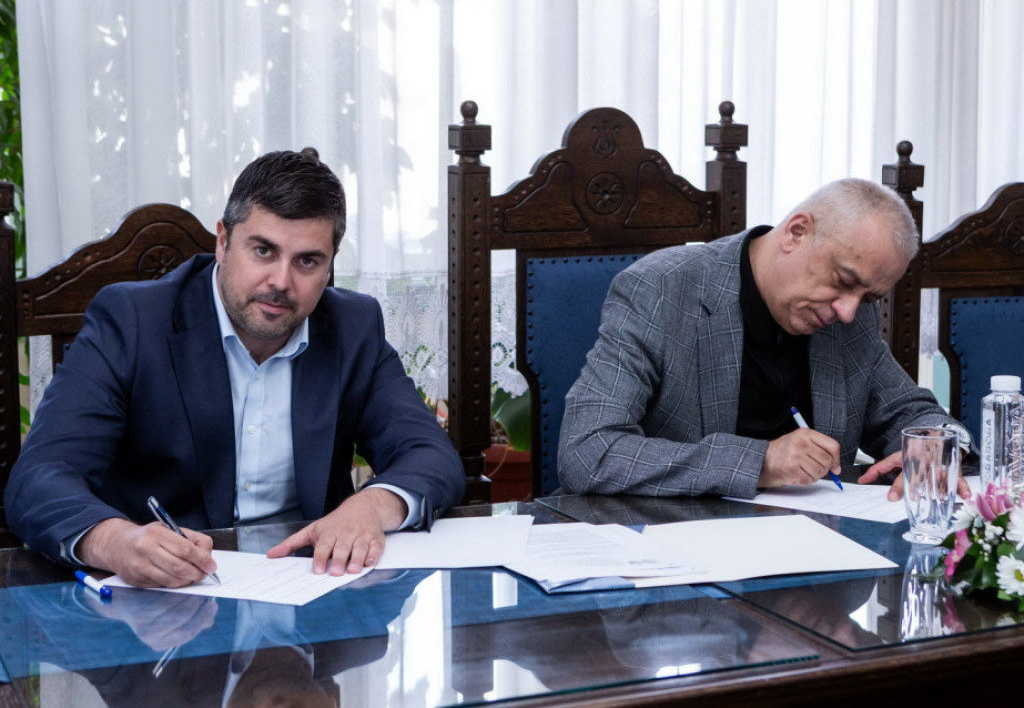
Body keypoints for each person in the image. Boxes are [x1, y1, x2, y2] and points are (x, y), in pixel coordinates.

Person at [6, 149, 464, 587]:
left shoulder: (353, 325)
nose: (281, 282)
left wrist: (372, 506)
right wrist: (116, 542)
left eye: (307, 261)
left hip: (308, 588)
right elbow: (39, 478)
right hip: (166, 599)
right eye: (263, 250)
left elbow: (430, 455)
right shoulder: (131, 321)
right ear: (223, 242)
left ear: (329, 267)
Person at [558, 178, 970, 500]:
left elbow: (911, 412)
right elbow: (587, 450)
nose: (848, 311)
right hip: (672, 549)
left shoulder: (850, 317)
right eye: (844, 281)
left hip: (815, 555)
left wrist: (936, 447)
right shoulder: (662, 290)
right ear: (796, 232)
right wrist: (760, 462)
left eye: (868, 298)